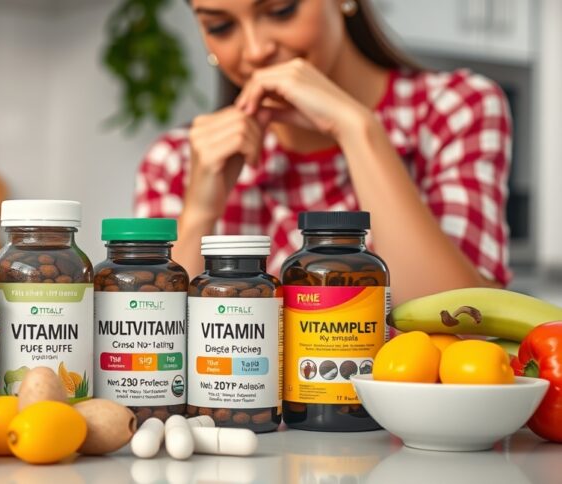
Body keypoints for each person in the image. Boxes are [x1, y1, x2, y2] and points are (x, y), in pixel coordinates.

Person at [134, 0, 511, 304]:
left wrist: (358, 131)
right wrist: (200, 213)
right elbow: (154, 358)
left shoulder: (454, 107)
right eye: (220, 27)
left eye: (281, 10)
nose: (255, 50)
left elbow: (463, 326)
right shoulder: (176, 160)